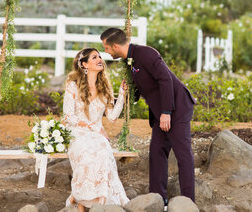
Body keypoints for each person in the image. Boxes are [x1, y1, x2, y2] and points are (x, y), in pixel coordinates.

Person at [100, 28, 197, 204]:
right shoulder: (128, 62)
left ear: (115, 46)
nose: (105, 52)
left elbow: (165, 79)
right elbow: (140, 91)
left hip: (177, 107)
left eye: (106, 48)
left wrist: (167, 112)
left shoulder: (146, 54)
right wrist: (127, 91)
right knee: (157, 152)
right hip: (160, 112)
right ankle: (158, 199)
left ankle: (188, 202)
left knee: (183, 153)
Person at [63, 48, 129, 211]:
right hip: (77, 132)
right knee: (85, 155)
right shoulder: (73, 85)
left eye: (100, 56)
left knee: (101, 152)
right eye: (94, 57)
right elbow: (68, 117)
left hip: (98, 135)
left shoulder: (105, 87)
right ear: (84, 64)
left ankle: (100, 201)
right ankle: (80, 204)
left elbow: (112, 117)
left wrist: (121, 94)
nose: (100, 59)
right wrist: (93, 127)